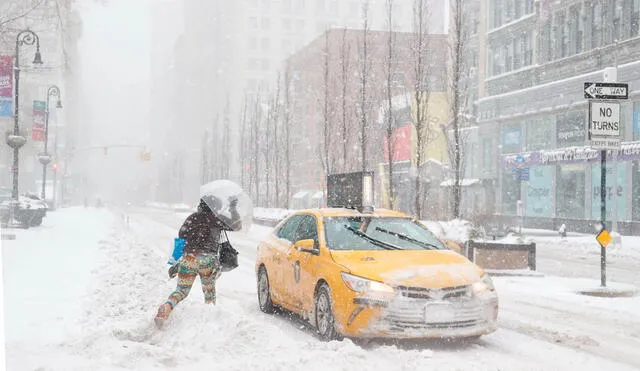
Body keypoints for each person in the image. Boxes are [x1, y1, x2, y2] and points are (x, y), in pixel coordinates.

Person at [155, 195, 242, 327]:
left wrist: (176, 263)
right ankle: (209, 323)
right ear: (215, 207)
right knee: (209, 293)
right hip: (208, 260)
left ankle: (167, 307)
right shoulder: (217, 219)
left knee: (181, 291)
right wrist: (232, 208)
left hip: (189, 259)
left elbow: (181, 239)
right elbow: (237, 225)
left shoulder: (191, 219)